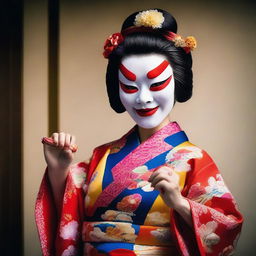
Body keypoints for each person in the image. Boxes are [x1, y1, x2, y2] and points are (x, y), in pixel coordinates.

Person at [36, 9, 243, 256]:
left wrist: (179, 203)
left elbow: (227, 226)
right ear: (118, 89)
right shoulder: (101, 156)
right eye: (130, 86)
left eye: (156, 84)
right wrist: (59, 169)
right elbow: (67, 216)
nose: (143, 98)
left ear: (178, 82)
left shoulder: (195, 161)